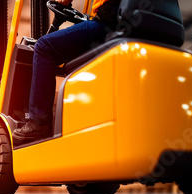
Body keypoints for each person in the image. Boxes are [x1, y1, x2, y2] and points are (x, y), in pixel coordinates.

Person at [12, 0, 120, 141]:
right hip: (114, 24)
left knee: (43, 47)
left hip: (105, 27)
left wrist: (63, 2)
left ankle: (39, 122)